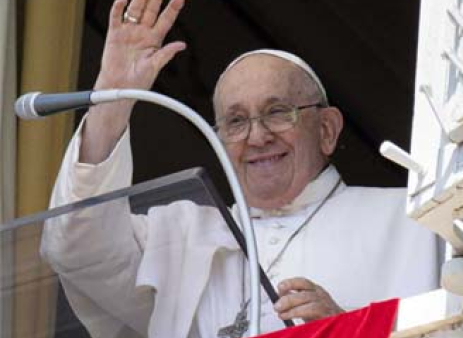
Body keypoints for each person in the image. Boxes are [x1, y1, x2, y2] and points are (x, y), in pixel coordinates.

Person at [40, 0, 440, 337]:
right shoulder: (182, 236)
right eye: (235, 121)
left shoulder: (417, 219)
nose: (257, 136)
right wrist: (112, 99)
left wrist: (346, 329)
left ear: (327, 130)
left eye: (278, 112)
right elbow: (75, 247)